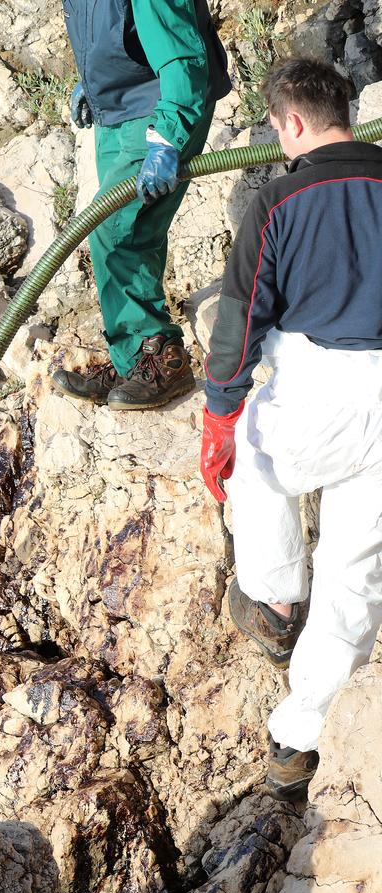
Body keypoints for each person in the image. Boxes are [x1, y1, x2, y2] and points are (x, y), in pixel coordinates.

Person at [199, 58, 382, 801]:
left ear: (292, 121)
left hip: (319, 390)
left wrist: (218, 412)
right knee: (353, 573)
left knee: (258, 457)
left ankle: (274, 602)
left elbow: (240, 323)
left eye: (276, 127)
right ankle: (299, 741)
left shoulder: (278, 201)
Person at [54, 0, 231, 410]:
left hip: (160, 104)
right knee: (135, 232)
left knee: (113, 227)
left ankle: (164, 361)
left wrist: (169, 134)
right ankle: (135, 359)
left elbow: (182, 55)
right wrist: (92, 82)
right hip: (116, 109)